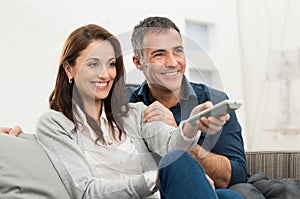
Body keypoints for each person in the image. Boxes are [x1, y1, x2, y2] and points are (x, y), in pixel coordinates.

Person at [1, 24, 244, 199]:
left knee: (229, 196)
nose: (105, 74)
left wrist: (192, 124)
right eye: (93, 64)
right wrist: (156, 179)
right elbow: (85, 191)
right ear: (69, 69)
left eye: (111, 64)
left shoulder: (134, 111)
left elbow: (171, 141)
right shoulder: (55, 124)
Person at [127, 16, 248, 189]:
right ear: (138, 62)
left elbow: (236, 177)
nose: (173, 62)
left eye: (178, 51)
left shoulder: (214, 101)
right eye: (159, 54)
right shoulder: (125, 104)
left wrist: (180, 135)